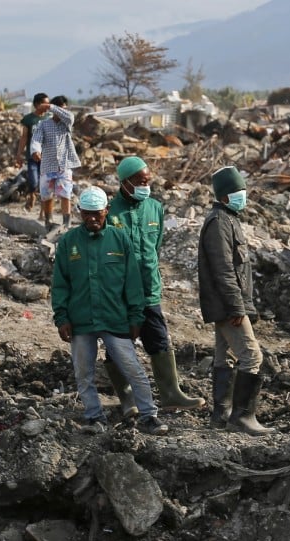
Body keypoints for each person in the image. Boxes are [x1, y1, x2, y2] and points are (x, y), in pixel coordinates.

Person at [51, 185, 168, 436]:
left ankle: (149, 415)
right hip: (81, 320)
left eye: (97, 213)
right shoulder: (69, 243)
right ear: (80, 212)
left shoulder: (120, 239)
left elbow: (132, 281)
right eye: (87, 214)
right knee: (83, 373)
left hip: (114, 318)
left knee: (133, 368)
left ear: (106, 211)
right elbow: (60, 283)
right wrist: (61, 317)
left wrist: (136, 316)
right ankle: (95, 417)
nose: (92, 219)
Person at [105, 156, 205, 414]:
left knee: (159, 339)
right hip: (120, 293)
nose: (145, 185)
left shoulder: (155, 209)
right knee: (119, 343)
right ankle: (127, 398)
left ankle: (171, 393)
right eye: (139, 181)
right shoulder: (110, 213)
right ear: (125, 182)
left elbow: (155, 247)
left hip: (149, 290)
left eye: (147, 181)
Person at [197, 166, 274, 436]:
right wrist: (236, 307)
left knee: (225, 356)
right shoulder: (219, 223)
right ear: (226, 196)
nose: (244, 196)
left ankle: (222, 414)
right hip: (227, 305)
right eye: (239, 191)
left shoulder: (228, 219)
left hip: (226, 305)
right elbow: (223, 270)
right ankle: (243, 418)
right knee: (252, 356)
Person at [30, 95, 81, 235]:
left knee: (65, 194)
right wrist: (35, 151)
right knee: (47, 196)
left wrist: (50, 107)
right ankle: (48, 221)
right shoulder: (43, 124)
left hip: (64, 166)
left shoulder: (67, 123)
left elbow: (69, 116)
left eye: (63, 109)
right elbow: (36, 139)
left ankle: (67, 223)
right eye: (59, 109)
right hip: (48, 165)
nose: (61, 112)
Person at [14, 93, 51, 213]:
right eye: (45, 103)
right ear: (37, 104)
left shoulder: (49, 118)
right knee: (33, 180)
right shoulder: (29, 119)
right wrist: (19, 154)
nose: (48, 105)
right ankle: (32, 196)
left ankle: (43, 210)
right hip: (32, 156)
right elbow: (24, 137)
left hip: (47, 157)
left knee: (45, 184)